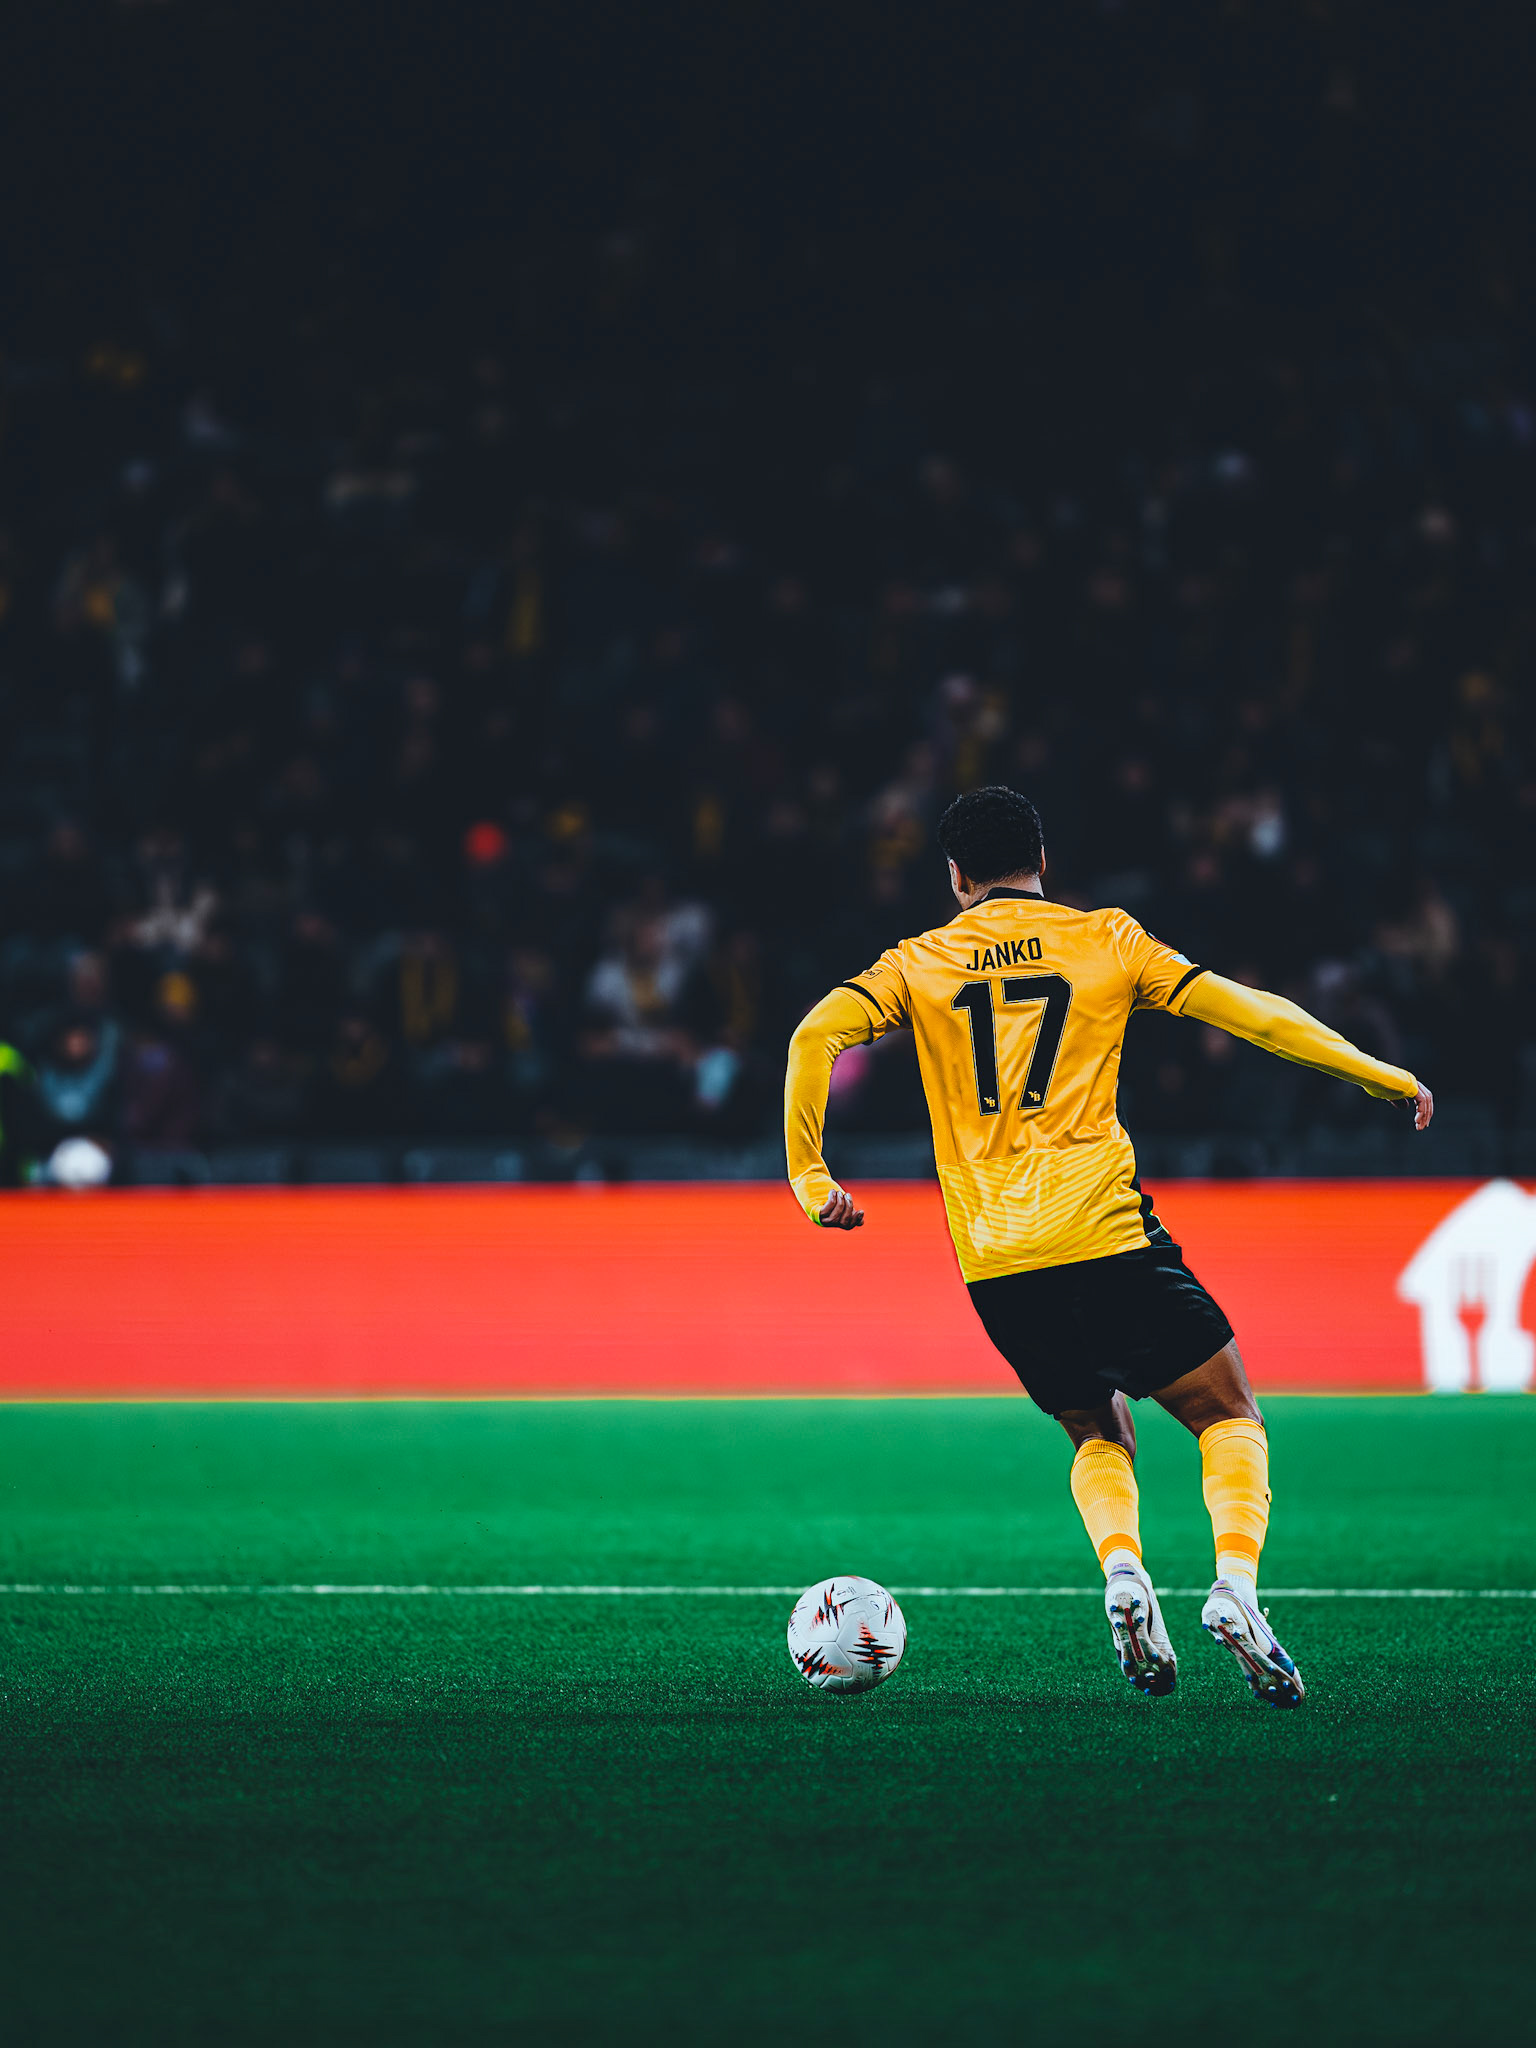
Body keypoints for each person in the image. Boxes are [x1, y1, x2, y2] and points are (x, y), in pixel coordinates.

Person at [784, 785, 1434, 1708]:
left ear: (957, 877)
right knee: (1227, 1413)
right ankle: (1234, 1589)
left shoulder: (917, 962)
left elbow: (816, 1036)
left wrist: (812, 1176)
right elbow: (1250, 1013)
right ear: (1042, 863)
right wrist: (1373, 1071)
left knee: (1096, 1427)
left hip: (999, 1262)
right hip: (1106, 1232)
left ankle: (1125, 1575)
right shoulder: (1108, 940)